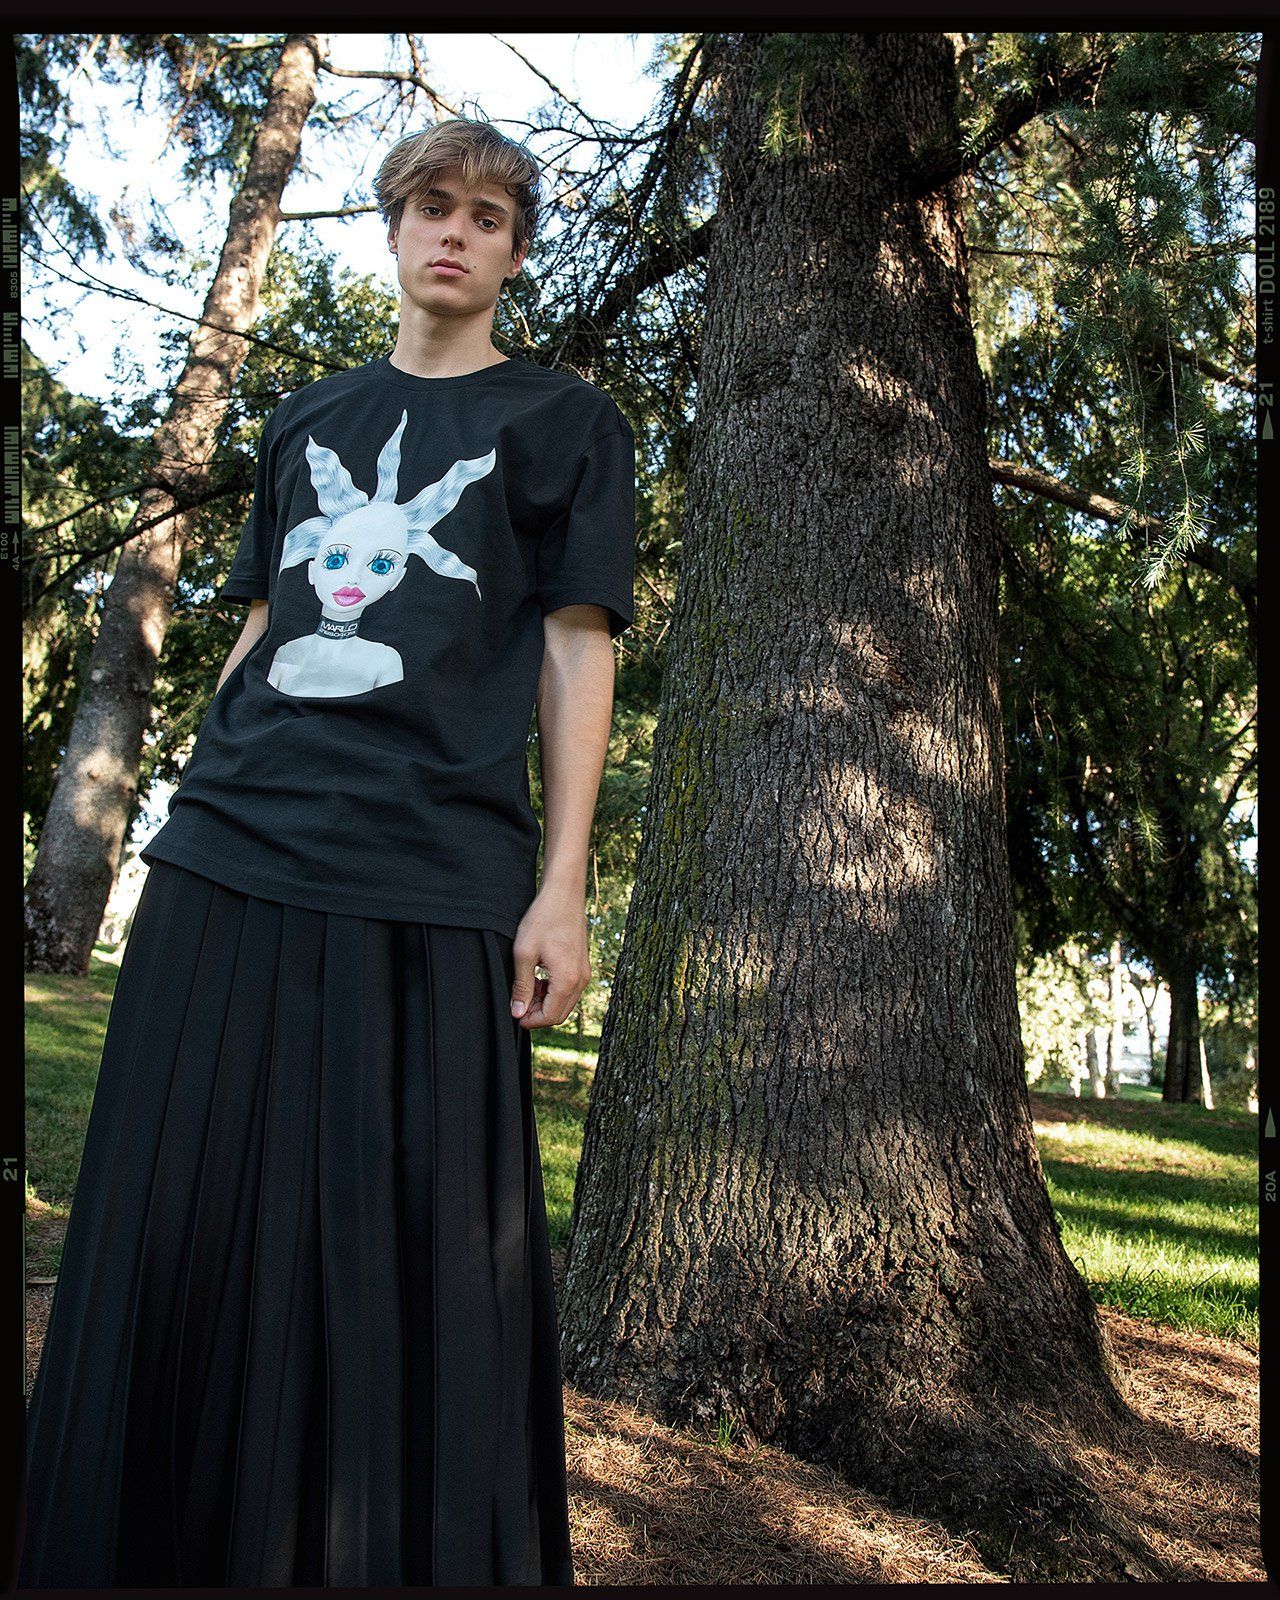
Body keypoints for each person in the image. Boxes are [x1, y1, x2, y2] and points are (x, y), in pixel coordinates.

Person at [19, 115, 636, 1589]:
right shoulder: (306, 419)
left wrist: (560, 886)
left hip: (435, 870)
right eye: (433, 206)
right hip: (230, 851)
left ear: (514, 252)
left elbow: (575, 650)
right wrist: (185, 806)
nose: (456, 233)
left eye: (488, 217)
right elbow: (260, 628)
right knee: (182, 1207)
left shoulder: (565, 424)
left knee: (396, 1247)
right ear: (393, 227)